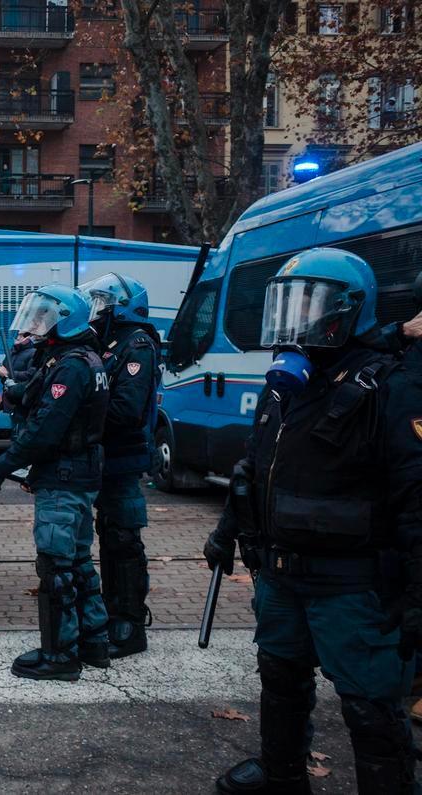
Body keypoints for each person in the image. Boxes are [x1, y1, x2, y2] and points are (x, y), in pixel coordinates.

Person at [205, 248, 422, 794]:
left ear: (349, 310)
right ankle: (282, 776)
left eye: (312, 304)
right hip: (281, 575)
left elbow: (417, 498)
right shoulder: (289, 385)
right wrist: (227, 529)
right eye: (289, 304)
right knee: (280, 680)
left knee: (371, 711)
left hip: (353, 585)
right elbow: (254, 465)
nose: (297, 320)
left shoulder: (389, 386)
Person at [0, 285, 109, 680]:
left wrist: (4, 464)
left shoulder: (72, 365)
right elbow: (37, 395)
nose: (37, 324)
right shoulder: (74, 357)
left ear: (65, 318)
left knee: (55, 567)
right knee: (77, 561)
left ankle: (60, 656)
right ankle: (94, 642)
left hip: (65, 475)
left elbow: (44, 429)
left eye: (45, 316)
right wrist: (17, 392)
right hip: (78, 472)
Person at [80, 273, 160, 659]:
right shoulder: (109, 343)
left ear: (123, 306)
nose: (97, 311)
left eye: (103, 304)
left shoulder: (137, 344)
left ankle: (129, 623)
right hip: (106, 457)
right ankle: (113, 612)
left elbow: (127, 408)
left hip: (124, 458)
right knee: (109, 532)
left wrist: (84, 410)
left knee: (124, 538)